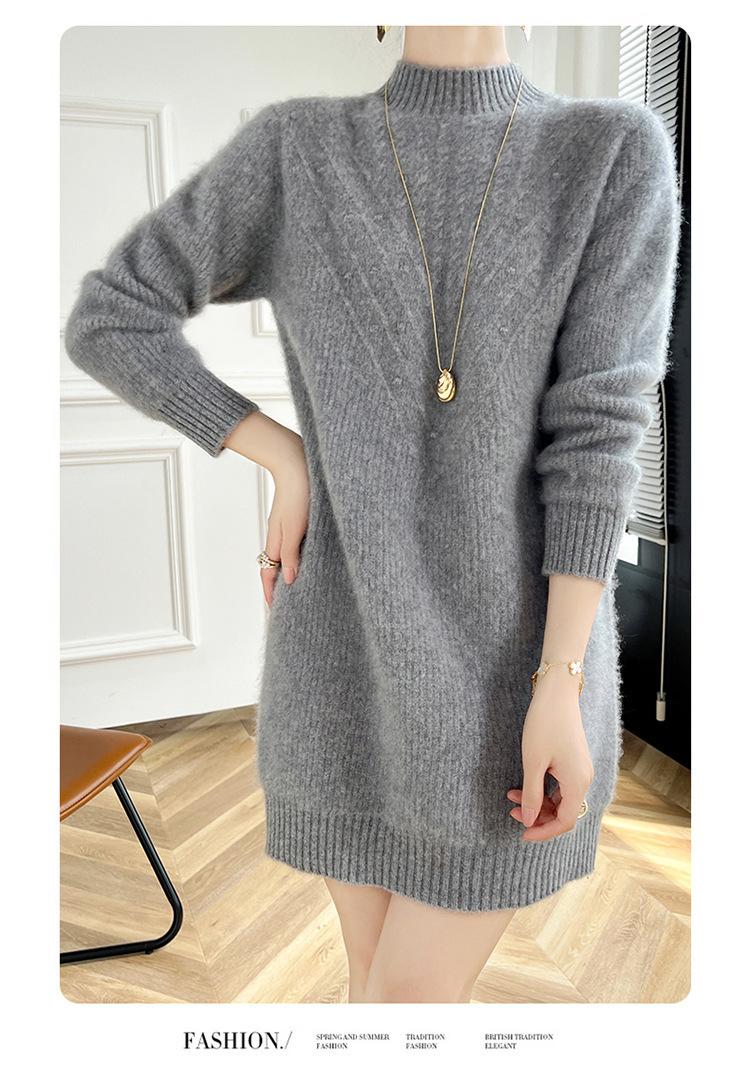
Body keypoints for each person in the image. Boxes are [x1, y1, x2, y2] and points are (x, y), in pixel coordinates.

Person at [64, 25, 681, 1003]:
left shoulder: (609, 150)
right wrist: (285, 453)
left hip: (517, 679)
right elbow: (110, 318)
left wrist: (560, 682)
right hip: (340, 672)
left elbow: (598, 435)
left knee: (403, 1003)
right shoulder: (297, 150)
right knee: (374, 997)